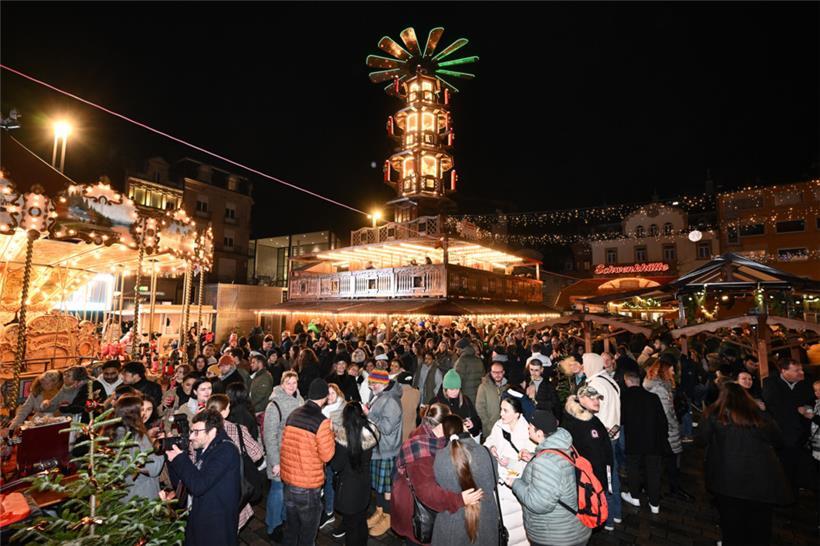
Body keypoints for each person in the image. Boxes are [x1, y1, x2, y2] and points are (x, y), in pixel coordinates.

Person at [699, 382, 793, 545]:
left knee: (732, 525)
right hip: (761, 479)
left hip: (727, 478)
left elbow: (701, 440)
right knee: (760, 526)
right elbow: (778, 440)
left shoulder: (713, 415)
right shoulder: (759, 415)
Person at [391, 403, 483, 546]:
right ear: (441, 425)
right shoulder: (422, 452)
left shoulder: (431, 437)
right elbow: (427, 493)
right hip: (415, 512)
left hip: (416, 501)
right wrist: (459, 499)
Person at [504, 410, 593, 546]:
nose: (528, 427)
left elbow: (539, 503)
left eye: (531, 426)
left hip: (557, 536)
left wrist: (515, 483)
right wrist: (534, 456)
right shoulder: (563, 445)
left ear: (539, 433)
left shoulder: (545, 461)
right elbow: (557, 466)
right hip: (573, 527)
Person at [166, 409, 242, 546]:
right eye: (191, 431)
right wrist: (173, 461)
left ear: (212, 431)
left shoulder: (225, 451)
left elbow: (198, 486)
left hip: (216, 526)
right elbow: (184, 482)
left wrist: (181, 460)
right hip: (201, 518)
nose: (190, 437)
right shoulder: (206, 448)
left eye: (196, 432)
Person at [280, 378, 336, 546]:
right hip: (307, 484)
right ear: (325, 397)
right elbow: (327, 456)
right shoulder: (322, 421)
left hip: (289, 481)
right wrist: (331, 433)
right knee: (308, 532)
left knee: (291, 528)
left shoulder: (294, 414)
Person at [432, 415, 499, 546]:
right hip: (486, 521)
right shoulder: (485, 453)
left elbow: (439, 488)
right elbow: (493, 482)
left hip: (453, 525)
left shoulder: (440, 458)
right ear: (464, 427)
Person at [206, 394, 265, 529]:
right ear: (225, 411)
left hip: (208, 490)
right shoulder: (237, 429)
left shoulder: (199, 430)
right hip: (232, 487)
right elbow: (257, 454)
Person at [483, 392, 534, 546]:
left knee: (519, 524)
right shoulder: (499, 425)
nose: (501, 414)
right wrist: (491, 446)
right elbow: (489, 439)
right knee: (504, 521)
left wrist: (511, 462)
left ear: (517, 414)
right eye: (501, 409)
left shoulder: (528, 432)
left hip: (518, 484)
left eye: (505, 410)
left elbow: (532, 463)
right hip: (500, 483)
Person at [561, 384, 614, 529]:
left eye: (598, 399)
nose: (597, 402)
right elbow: (595, 452)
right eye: (592, 399)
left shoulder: (580, 418)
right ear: (582, 399)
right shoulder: (586, 423)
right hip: (591, 478)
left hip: (587, 477)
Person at [762, 356, 815, 498]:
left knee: (800, 463)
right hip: (782, 432)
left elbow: (812, 400)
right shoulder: (771, 383)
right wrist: (797, 408)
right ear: (784, 371)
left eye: (801, 369)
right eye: (796, 370)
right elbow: (774, 406)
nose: (801, 373)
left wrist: (808, 407)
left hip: (802, 432)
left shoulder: (806, 383)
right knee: (785, 465)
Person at [329, 401, 380, 544]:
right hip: (364, 484)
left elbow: (336, 466)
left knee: (351, 526)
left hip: (348, 489)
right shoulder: (370, 432)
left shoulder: (343, 438)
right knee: (360, 520)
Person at [581, 352, 622, 528]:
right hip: (615, 433)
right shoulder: (609, 379)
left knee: (604, 478)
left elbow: (586, 410)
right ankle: (617, 513)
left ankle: (609, 519)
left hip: (601, 438)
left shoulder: (594, 384)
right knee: (614, 475)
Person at [263, 370, 305, 541]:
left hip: (294, 454)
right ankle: (273, 525)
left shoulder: (300, 399)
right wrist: (274, 462)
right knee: (277, 490)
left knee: (288, 491)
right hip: (280, 455)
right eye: (288, 383)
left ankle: (284, 520)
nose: (292, 386)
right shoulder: (274, 405)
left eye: (294, 382)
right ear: (282, 384)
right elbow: (269, 435)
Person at [643, 356, 691, 502]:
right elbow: (665, 413)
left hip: (659, 430)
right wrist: (674, 425)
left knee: (664, 461)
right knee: (670, 460)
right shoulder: (660, 388)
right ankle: (671, 489)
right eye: (671, 369)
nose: (674, 372)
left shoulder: (661, 385)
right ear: (664, 370)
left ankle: (655, 487)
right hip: (666, 431)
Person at [620, 371, 667, 513]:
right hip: (653, 440)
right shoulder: (653, 397)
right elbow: (663, 421)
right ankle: (654, 504)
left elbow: (621, 419)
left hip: (634, 440)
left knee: (633, 468)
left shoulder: (624, 397)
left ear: (627, 381)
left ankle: (634, 497)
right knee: (653, 472)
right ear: (639, 381)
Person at [364, 368, 403, 537]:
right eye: (370, 383)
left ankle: (388, 517)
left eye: (374, 383)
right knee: (379, 486)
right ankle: (380, 512)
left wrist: (369, 414)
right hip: (378, 448)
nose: (371, 386)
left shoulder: (392, 401)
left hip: (387, 450)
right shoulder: (379, 395)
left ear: (383, 383)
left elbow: (386, 428)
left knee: (386, 487)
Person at [112, 394, 164, 501]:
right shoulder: (138, 435)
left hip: (121, 496)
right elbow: (154, 468)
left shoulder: (115, 432)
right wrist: (160, 447)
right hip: (141, 496)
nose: (144, 413)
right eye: (141, 410)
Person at [431, 370, 483, 439]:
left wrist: (473, 423)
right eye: (451, 389)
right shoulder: (436, 402)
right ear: (445, 389)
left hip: (463, 441)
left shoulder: (466, 400)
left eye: (457, 388)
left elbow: (477, 419)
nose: (455, 392)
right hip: (443, 443)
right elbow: (429, 425)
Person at [476, 361, 508, 438]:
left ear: (503, 372)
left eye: (500, 372)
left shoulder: (507, 387)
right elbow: (480, 407)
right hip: (489, 428)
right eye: (494, 372)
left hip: (505, 427)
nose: (497, 375)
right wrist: (487, 424)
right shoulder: (483, 387)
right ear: (490, 372)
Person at [454, 336, 484, 404]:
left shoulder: (461, 361)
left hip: (465, 395)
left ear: (461, 349)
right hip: (478, 394)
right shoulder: (478, 359)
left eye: (457, 349)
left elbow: (457, 380)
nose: (456, 351)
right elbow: (483, 377)